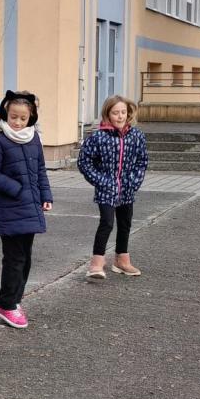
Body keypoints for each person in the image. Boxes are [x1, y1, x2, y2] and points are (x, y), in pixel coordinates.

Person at [0, 91, 53, 329]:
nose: (18, 122)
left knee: (26, 258)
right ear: (5, 114)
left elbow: (40, 170)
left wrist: (46, 195)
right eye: (14, 117)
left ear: (31, 117)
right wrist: (15, 188)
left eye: (23, 118)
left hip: (31, 206)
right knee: (14, 259)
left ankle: (15, 300)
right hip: (11, 207)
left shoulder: (33, 138)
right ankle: (6, 304)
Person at [78, 95, 149, 279]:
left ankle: (122, 261)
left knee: (125, 223)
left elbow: (142, 161)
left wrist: (133, 181)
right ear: (108, 114)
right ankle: (96, 263)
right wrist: (101, 181)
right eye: (116, 112)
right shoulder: (98, 137)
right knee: (107, 223)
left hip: (127, 188)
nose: (120, 116)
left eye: (123, 112)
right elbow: (84, 162)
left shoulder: (136, 136)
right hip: (106, 189)